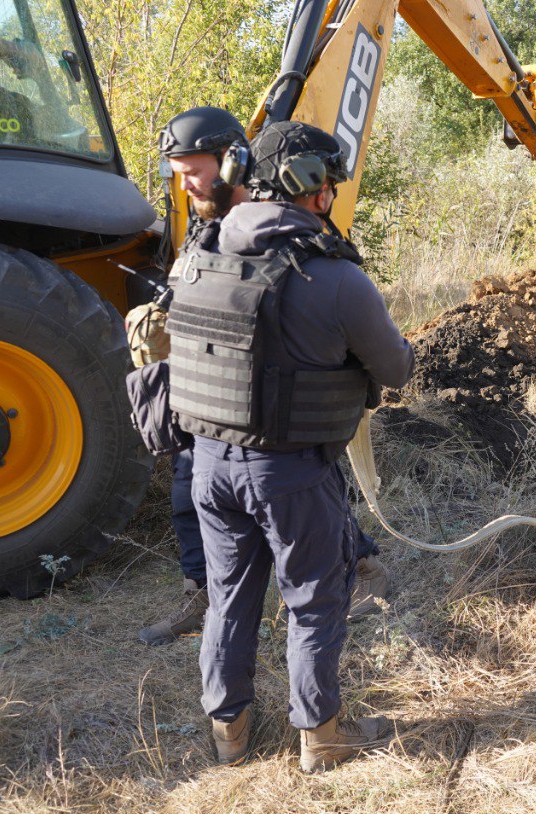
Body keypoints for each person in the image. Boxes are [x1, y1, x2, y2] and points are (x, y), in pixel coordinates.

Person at [165, 120, 414, 770]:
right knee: (313, 597)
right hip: (292, 473)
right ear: (313, 189)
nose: (332, 193)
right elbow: (396, 369)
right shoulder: (336, 280)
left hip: (208, 466)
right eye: (329, 182)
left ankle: (231, 734)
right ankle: (322, 734)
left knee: (229, 595)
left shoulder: (195, 257)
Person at [137, 107, 390, 646]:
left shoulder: (288, 222)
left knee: (308, 492)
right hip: (213, 412)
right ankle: (203, 591)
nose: (186, 186)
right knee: (193, 491)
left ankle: (359, 568)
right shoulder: (208, 233)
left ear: (234, 163)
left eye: (193, 172)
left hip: (281, 418)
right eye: (177, 175)